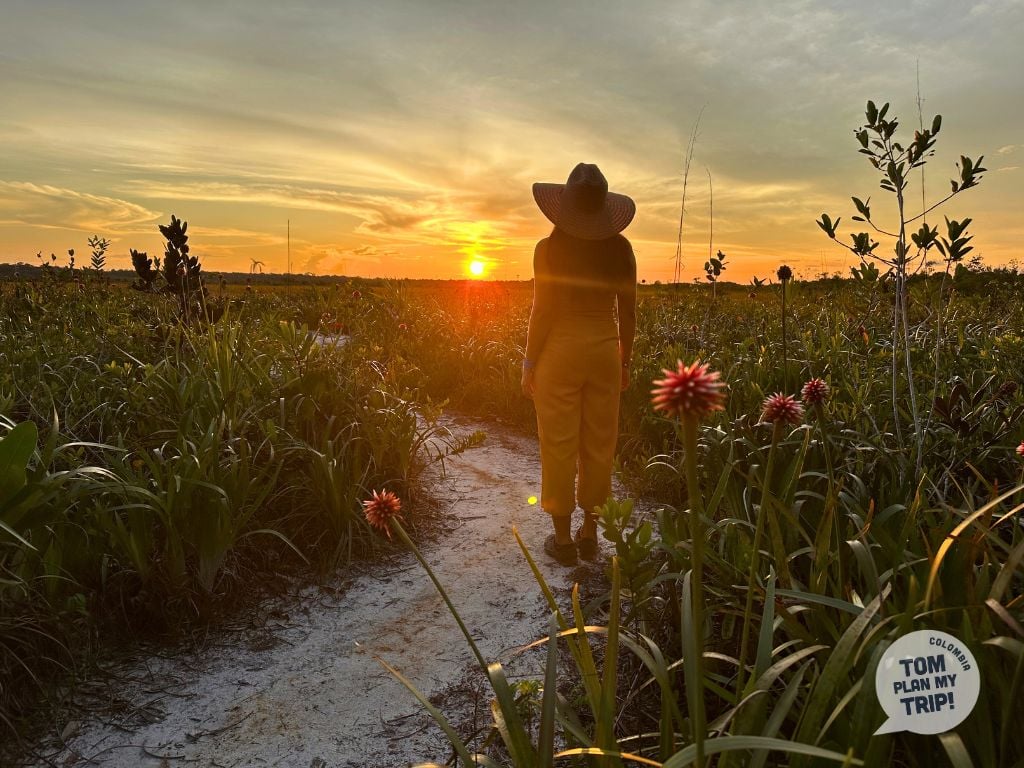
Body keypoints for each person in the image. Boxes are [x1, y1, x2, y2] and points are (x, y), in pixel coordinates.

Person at [521, 163, 637, 565]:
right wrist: (624, 362)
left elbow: (543, 310)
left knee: (558, 444)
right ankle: (590, 533)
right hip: (605, 351)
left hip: (560, 352)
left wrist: (530, 361)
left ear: (564, 207)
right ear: (604, 207)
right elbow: (629, 313)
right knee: (599, 444)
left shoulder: (548, 249)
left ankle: (563, 540)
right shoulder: (621, 249)